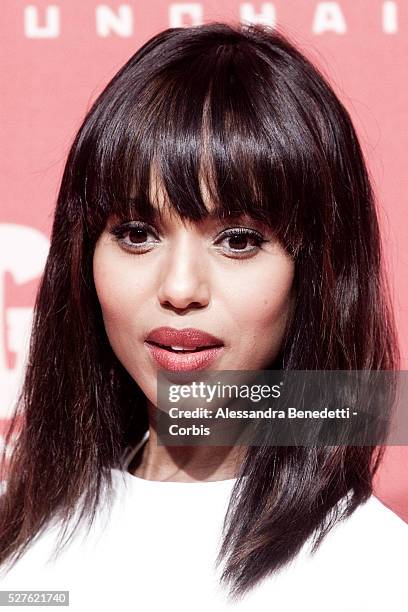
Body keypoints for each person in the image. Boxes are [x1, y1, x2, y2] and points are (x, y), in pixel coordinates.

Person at [0, 21, 407, 611]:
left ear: (315, 271)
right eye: (137, 233)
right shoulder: (20, 535)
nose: (180, 287)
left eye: (238, 240)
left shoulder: (374, 575)